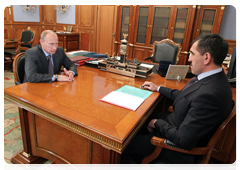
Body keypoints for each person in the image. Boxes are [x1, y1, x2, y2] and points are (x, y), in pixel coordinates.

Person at [120, 33, 232, 169]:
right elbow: (186, 96)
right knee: (142, 117)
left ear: (206, 58)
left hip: (177, 149)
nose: (189, 59)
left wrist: (157, 123)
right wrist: (159, 88)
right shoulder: (214, 78)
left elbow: (183, 140)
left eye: (192, 54)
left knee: (123, 145)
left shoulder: (210, 95)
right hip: (178, 123)